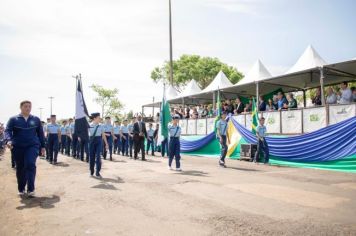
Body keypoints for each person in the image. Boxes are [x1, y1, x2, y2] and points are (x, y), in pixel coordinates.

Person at [5, 100, 45, 197]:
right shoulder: (13, 119)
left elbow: (40, 133)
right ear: (21, 107)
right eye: (25, 106)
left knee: (30, 164)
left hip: (32, 146)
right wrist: (9, 140)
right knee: (21, 168)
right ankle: (21, 188)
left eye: (29, 106)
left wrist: (43, 146)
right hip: (18, 147)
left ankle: (31, 189)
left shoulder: (35, 119)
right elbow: (8, 131)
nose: (28, 108)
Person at [88, 113, 108, 178]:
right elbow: (86, 133)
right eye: (98, 117)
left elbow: (103, 135)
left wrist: (106, 144)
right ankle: (91, 171)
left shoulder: (101, 126)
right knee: (91, 156)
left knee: (98, 156)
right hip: (91, 141)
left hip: (99, 141)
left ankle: (97, 172)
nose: (100, 119)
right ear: (94, 118)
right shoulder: (89, 125)